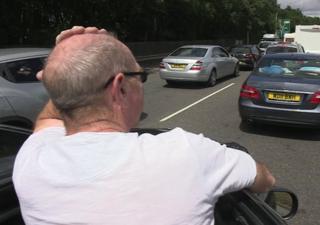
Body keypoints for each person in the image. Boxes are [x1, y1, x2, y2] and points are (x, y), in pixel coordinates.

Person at [13, 26, 275, 225]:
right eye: (140, 76)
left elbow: (47, 121)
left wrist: (64, 74)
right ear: (120, 87)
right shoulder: (186, 152)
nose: (142, 83)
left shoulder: (32, 160)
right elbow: (264, 179)